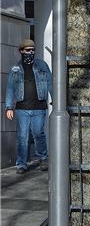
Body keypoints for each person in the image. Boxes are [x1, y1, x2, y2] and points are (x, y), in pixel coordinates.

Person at [4, 38, 52, 172]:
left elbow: (50, 83)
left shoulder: (42, 65)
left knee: (38, 133)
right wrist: (8, 107)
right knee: (22, 137)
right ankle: (21, 164)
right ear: (21, 51)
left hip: (39, 107)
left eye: (33, 50)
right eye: (28, 50)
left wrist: (56, 100)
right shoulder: (15, 69)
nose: (31, 52)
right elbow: (10, 88)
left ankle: (43, 158)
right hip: (21, 109)